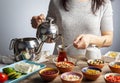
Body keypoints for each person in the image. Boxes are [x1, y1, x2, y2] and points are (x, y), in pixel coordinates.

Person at [31, 0, 113, 56]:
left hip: (91, 64)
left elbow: (109, 39)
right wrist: (39, 25)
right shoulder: (55, 2)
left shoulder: (104, 3)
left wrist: (90, 39)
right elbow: (49, 38)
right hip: (60, 62)